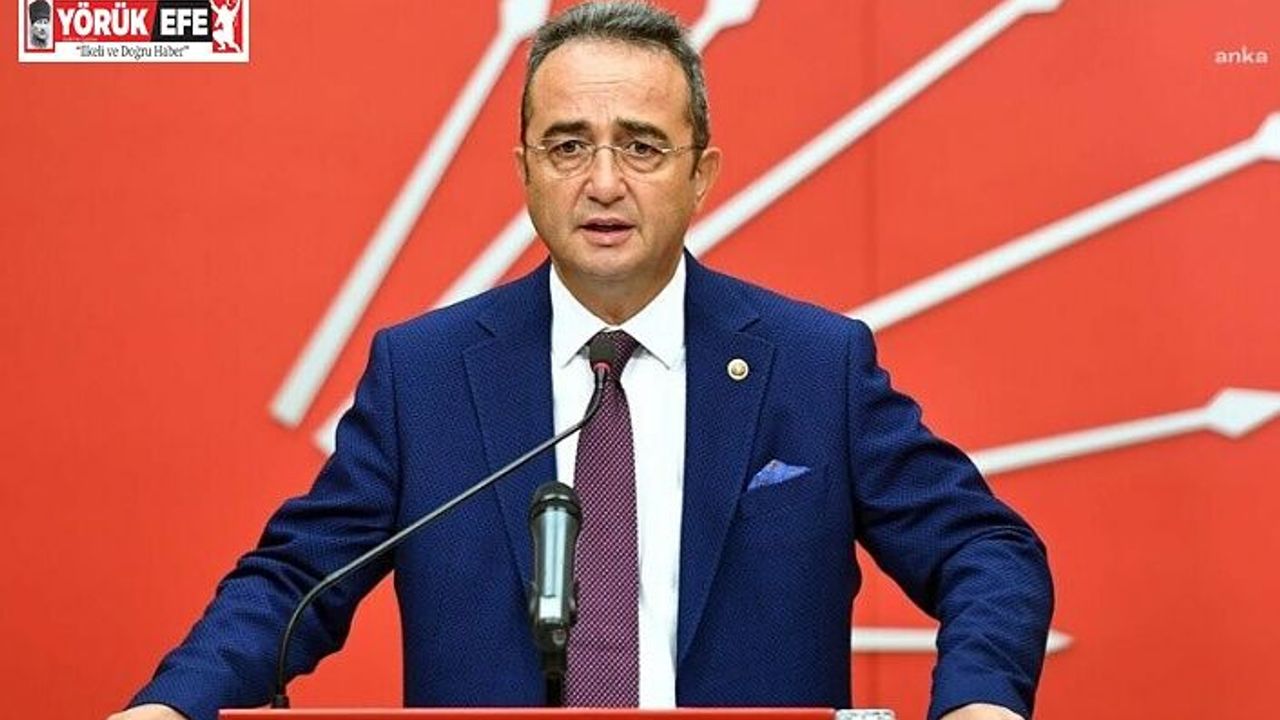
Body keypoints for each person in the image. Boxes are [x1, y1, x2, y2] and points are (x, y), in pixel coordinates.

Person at [111, 3, 1052, 720]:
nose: (604, 182)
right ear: (525, 169)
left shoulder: (814, 366)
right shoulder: (425, 376)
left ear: (701, 174)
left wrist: (978, 702)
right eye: (568, 146)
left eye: (641, 147)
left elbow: (986, 550)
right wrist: (171, 706)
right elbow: (291, 583)